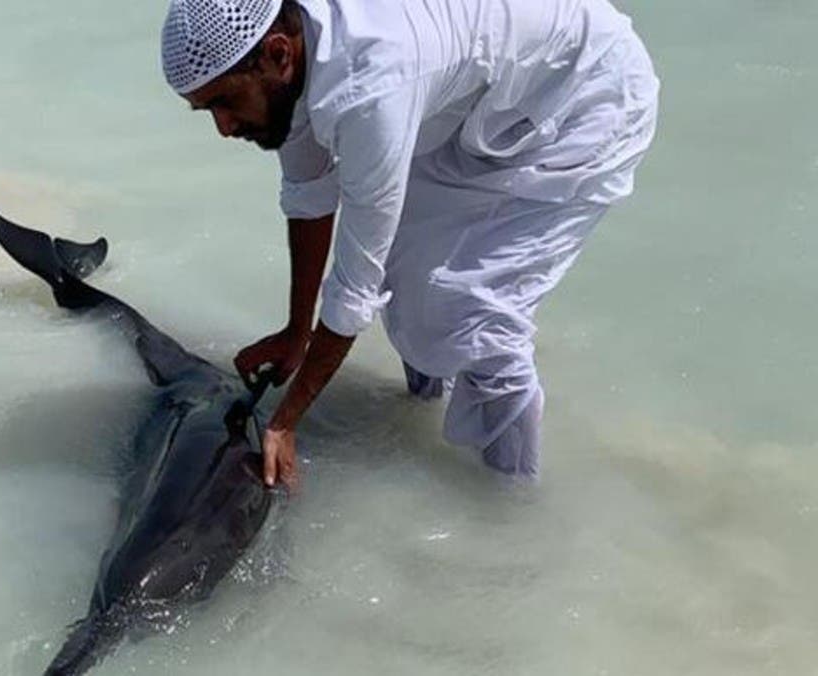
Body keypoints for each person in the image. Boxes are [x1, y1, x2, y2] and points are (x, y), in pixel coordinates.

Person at [159, 0, 659, 488]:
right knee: (407, 276)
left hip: (586, 98)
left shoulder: (369, 88)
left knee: (470, 318)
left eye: (225, 102)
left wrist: (285, 422)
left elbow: (355, 285)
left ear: (278, 54)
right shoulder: (298, 53)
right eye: (206, 111)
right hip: (483, 102)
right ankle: (419, 407)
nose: (223, 128)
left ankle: (507, 501)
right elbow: (309, 194)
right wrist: (296, 332)